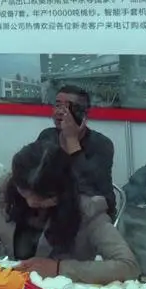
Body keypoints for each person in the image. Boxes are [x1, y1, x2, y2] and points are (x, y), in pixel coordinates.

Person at [0, 142, 139, 285]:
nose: (31, 202)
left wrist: (59, 268)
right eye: (25, 192)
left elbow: (128, 266)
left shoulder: (88, 211)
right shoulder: (10, 192)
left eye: (44, 198)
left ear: (62, 191)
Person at [38, 84, 116, 219]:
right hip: (53, 208)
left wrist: (72, 140)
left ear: (84, 114)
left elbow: (89, 188)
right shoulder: (47, 136)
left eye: (68, 107)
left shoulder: (102, 144)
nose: (59, 112)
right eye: (57, 105)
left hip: (93, 212)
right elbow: (34, 173)